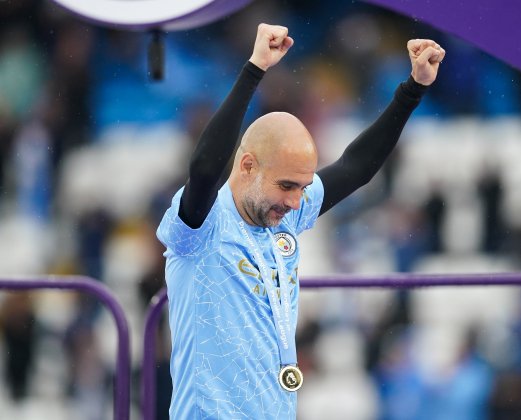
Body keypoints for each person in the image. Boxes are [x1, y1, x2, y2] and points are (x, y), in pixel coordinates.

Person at [157, 23, 445, 419]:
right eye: (287, 185)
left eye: (303, 187)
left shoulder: (283, 219)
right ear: (246, 166)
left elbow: (356, 167)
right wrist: (255, 69)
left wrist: (413, 88)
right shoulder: (201, 226)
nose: (297, 202)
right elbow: (206, 167)